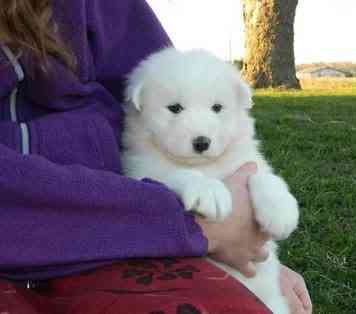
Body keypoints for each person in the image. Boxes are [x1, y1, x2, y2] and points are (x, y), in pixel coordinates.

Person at [0, 0, 312, 313]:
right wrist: (191, 225)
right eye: (176, 111)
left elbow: (168, 74)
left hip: (130, 241)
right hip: (122, 231)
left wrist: (252, 243)